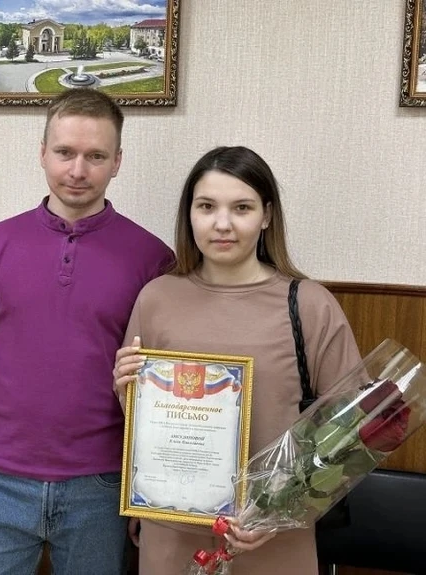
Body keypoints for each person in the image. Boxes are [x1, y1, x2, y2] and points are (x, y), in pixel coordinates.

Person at [0, 88, 175, 574]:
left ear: (117, 161)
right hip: (1, 479)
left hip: (101, 485)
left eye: (96, 156)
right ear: (42, 153)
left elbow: (158, 389)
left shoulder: (153, 258)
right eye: (65, 152)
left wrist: (149, 492)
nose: (78, 170)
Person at [113, 146, 362, 575]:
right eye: (207, 207)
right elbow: (143, 422)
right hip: (172, 534)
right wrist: (127, 388)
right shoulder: (156, 298)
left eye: (242, 208)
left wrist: (281, 512)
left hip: (275, 540)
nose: (222, 223)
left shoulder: (308, 304)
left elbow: (352, 430)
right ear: (189, 215)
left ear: (267, 216)